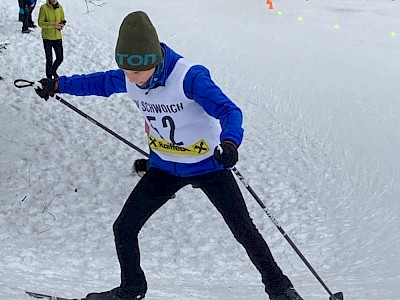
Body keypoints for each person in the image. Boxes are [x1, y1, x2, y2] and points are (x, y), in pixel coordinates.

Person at [34, 11, 303, 300]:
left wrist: (231, 143)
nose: (133, 80)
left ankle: (281, 290)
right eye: (127, 72)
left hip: (208, 164)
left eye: (138, 73)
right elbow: (99, 83)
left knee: (244, 230)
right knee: (124, 228)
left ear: (156, 62)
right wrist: (60, 85)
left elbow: (229, 110)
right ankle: (132, 289)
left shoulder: (189, 78)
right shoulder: (130, 75)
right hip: (165, 167)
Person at [38, 0, 66, 79]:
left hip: (57, 36)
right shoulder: (43, 8)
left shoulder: (60, 7)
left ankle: (53, 71)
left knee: (60, 58)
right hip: (47, 37)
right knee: (49, 59)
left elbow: (63, 18)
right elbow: (40, 23)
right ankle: (49, 78)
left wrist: (62, 23)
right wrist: (53, 25)